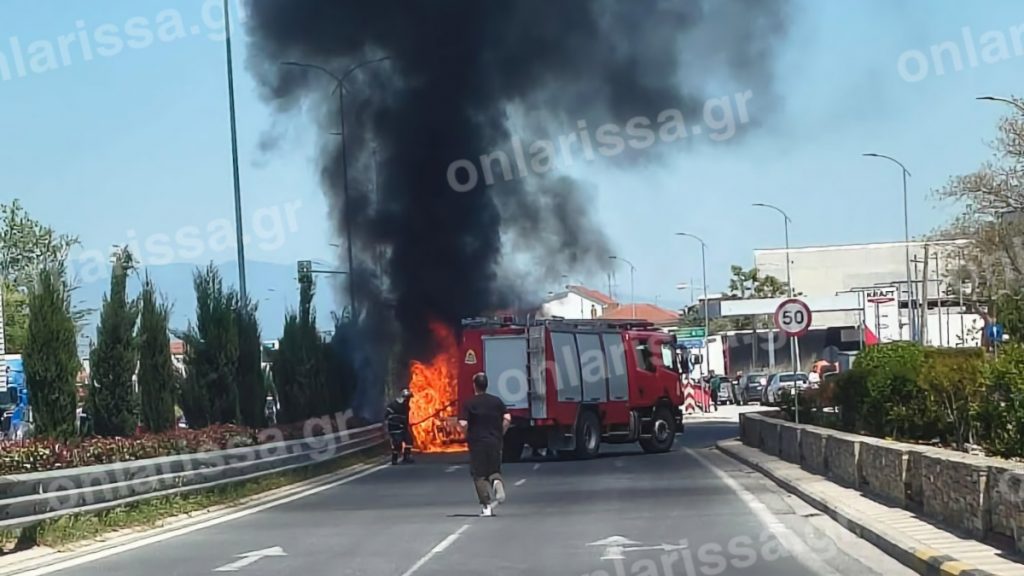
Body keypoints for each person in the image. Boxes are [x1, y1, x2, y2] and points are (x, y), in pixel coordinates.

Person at [458, 372, 511, 517]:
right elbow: (507, 418)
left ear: (474, 385)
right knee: (494, 470)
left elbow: (463, 423)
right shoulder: (496, 401)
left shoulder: (469, 403)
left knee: (479, 475)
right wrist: (501, 432)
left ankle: (486, 506)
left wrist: (465, 434)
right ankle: (496, 482)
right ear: (486, 384)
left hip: (477, 443)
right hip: (495, 441)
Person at [385, 389, 415, 465]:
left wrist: (406, 424)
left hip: (403, 428)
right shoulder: (393, 406)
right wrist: (397, 422)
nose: (408, 400)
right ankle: (394, 459)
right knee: (397, 444)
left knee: (409, 441)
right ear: (403, 397)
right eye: (408, 398)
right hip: (395, 429)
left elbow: (405, 417)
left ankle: (406, 456)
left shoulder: (406, 407)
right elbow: (387, 416)